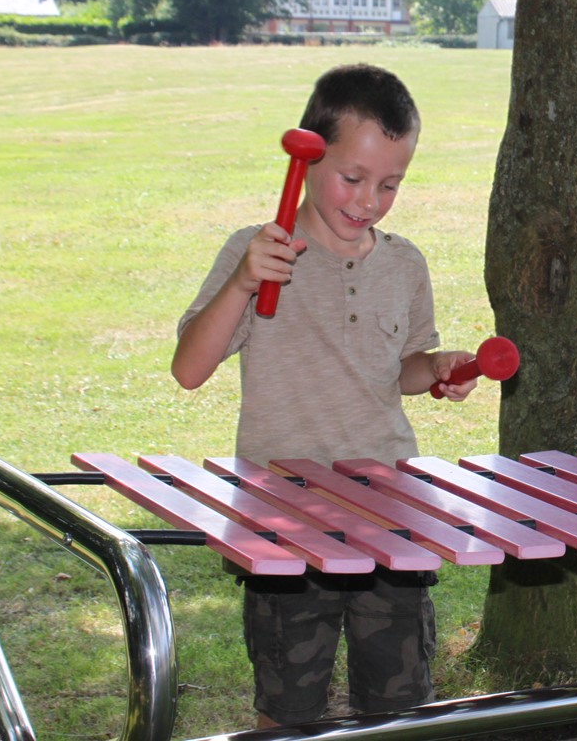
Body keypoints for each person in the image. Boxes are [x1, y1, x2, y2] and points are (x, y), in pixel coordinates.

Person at [172, 63, 480, 728]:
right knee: (290, 715)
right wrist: (242, 284)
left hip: (389, 512)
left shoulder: (404, 264)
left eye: (390, 185)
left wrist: (438, 368)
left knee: (399, 711)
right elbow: (189, 369)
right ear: (309, 155)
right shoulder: (257, 252)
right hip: (283, 518)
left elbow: (399, 370)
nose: (368, 201)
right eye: (353, 178)